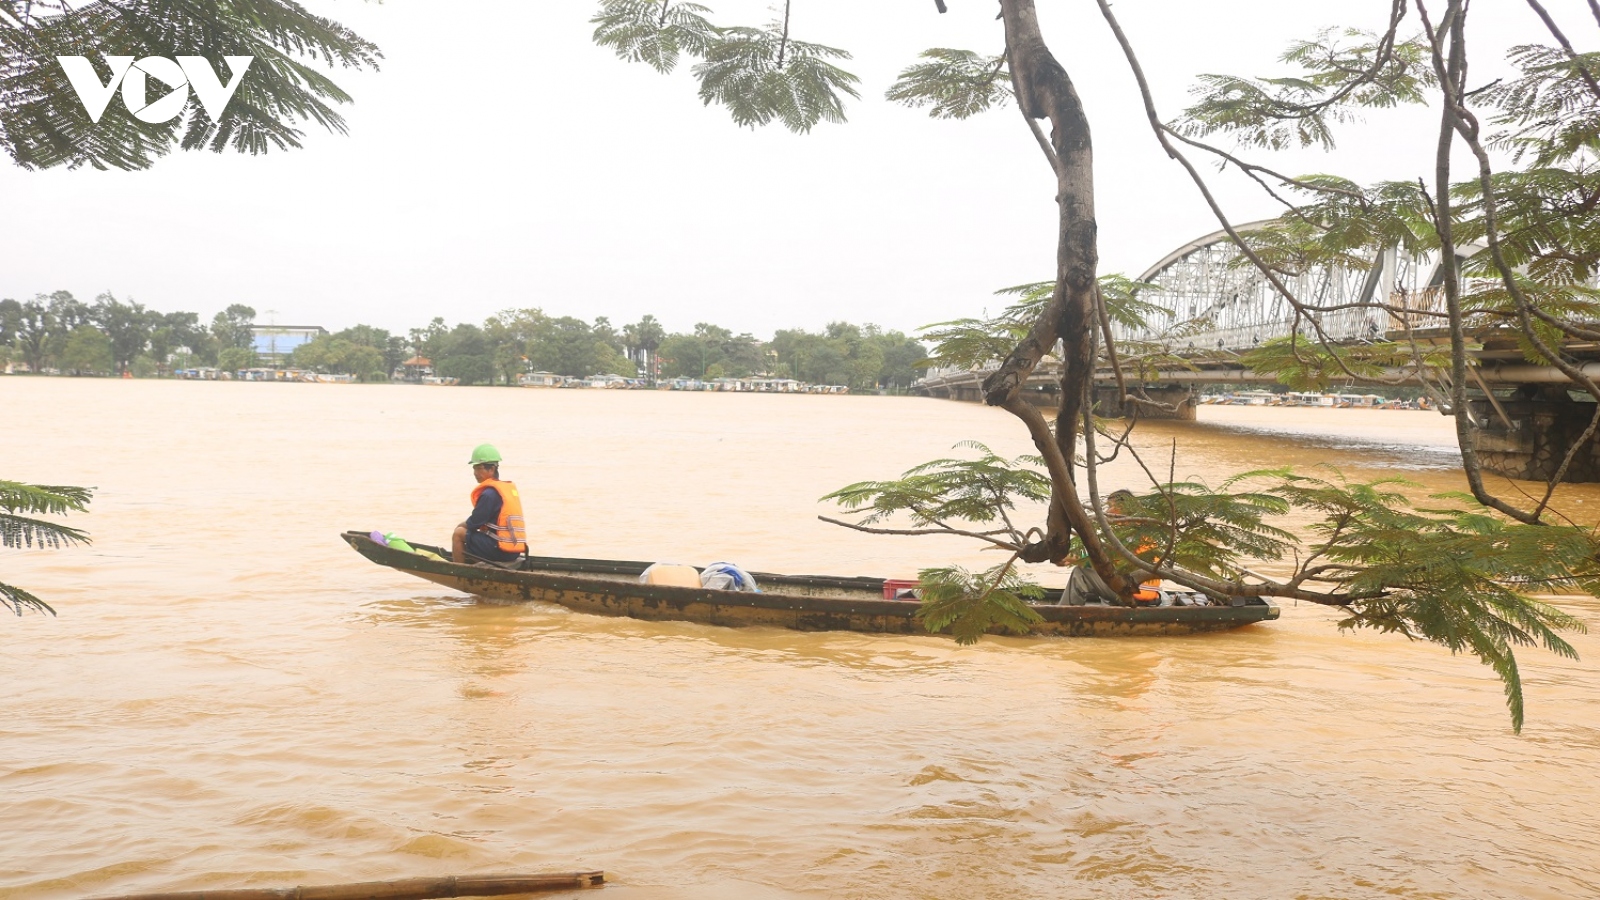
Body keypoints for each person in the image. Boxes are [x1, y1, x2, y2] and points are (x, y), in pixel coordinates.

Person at [1059, 489, 1162, 605]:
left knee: (1080, 573)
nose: (1107, 511)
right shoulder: (1143, 529)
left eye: (1110, 506)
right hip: (1145, 594)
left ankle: (1063, 617)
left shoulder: (1128, 535)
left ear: (1123, 507)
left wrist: (1071, 558)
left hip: (1134, 594)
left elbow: (1103, 561)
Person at [451, 443, 528, 565]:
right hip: (514, 550)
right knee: (477, 535)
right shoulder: (504, 490)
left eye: (478, 468)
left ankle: (457, 570)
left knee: (458, 533)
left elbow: (474, 522)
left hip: (500, 550)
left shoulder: (489, 494)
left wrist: (459, 526)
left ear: (491, 469)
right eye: (474, 468)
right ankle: (484, 566)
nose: (475, 472)